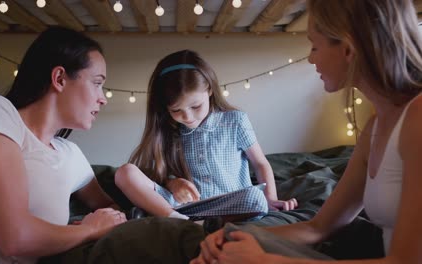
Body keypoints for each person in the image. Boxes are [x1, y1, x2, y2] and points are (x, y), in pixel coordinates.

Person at [191, 0, 422, 263]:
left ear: (348, 48)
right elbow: (318, 227)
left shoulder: (417, 117)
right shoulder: (374, 127)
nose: (311, 58)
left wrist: (265, 260)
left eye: (314, 46)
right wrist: (233, 237)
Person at [0, 26, 127, 264]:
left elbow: (110, 209)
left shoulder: (71, 155)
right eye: (97, 83)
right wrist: (87, 230)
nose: (103, 98)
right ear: (59, 79)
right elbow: (14, 238)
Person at [115, 50, 297, 220]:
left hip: (233, 203)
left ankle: (186, 222)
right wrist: (173, 183)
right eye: (176, 110)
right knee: (125, 173)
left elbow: (260, 163)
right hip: (184, 208)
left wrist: (270, 198)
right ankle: (177, 221)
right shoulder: (169, 131)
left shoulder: (235, 121)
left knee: (255, 197)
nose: (187, 117)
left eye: (195, 106)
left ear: (209, 90)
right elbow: (160, 176)